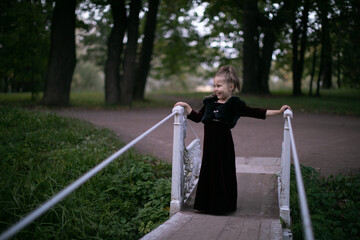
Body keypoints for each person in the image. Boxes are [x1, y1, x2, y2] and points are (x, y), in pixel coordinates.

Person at [174, 65, 291, 214]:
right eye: (214, 86)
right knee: (209, 172)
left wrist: (280, 111)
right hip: (210, 147)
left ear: (231, 87)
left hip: (224, 146)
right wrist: (186, 106)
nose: (216, 89)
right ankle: (205, 205)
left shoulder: (235, 104)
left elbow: (255, 112)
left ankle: (222, 206)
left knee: (223, 173)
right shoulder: (209, 103)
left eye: (219, 86)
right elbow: (198, 118)